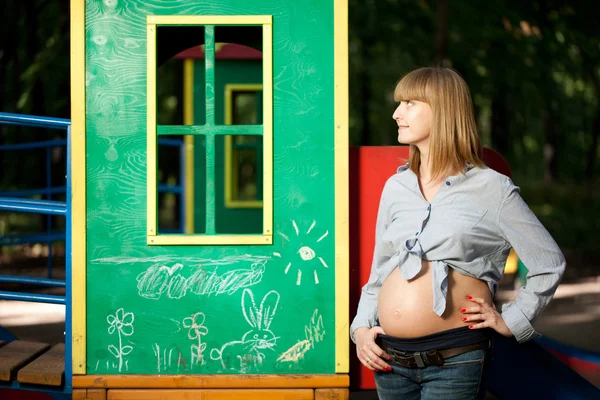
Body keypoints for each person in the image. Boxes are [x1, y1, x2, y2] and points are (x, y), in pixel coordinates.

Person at [350, 67, 566, 400]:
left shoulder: (492, 188)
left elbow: (548, 262)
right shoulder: (396, 187)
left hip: (454, 359)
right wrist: (361, 329)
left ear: (444, 110)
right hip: (389, 361)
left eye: (409, 103)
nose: (396, 113)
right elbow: (380, 271)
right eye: (399, 103)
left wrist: (513, 319)